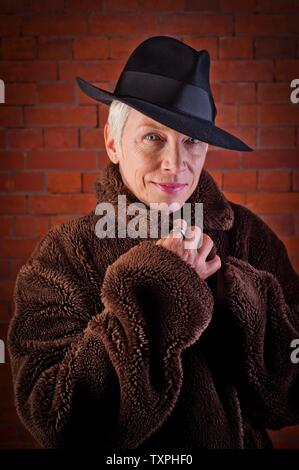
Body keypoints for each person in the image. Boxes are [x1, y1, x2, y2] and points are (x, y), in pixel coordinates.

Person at [7, 36, 299, 450]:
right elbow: (56, 417)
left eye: (192, 140)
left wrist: (234, 294)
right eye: (152, 137)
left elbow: (290, 399)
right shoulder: (63, 255)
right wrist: (158, 289)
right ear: (113, 142)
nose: (175, 164)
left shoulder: (248, 236)